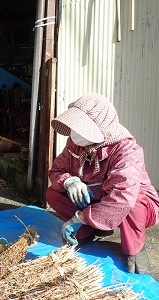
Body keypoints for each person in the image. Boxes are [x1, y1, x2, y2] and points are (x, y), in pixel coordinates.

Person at [46, 93, 159, 274]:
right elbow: (56, 171)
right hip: (94, 200)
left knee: (134, 199)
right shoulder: (75, 144)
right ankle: (87, 230)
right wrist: (70, 181)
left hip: (131, 206)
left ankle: (135, 247)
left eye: (82, 128)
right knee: (53, 193)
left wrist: (79, 217)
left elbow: (122, 197)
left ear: (101, 128)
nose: (75, 134)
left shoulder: (127, 150)